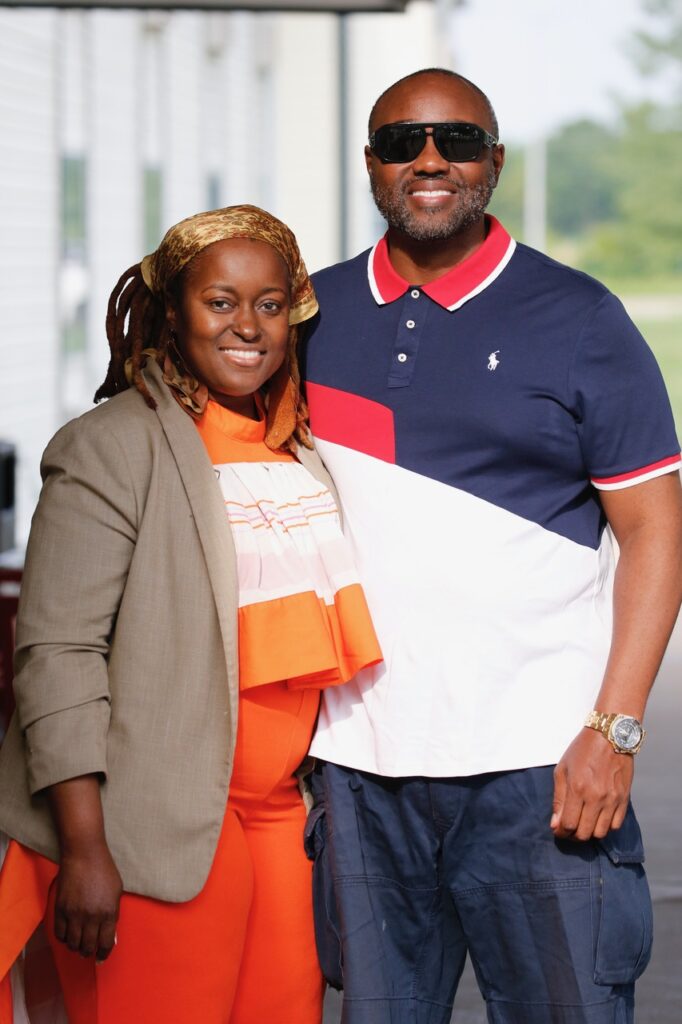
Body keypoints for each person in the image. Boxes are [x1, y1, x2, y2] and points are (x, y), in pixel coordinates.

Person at [301, 68, 682, 1023]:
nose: (430, 160)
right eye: (404, 142)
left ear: (495, 161)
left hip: (541, 768)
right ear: (372, 164)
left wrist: (615, 731)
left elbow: (655, 531)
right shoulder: (307, 318)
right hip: (360, 770)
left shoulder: (581, 318)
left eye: (458, 140)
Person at [0, 204, 382, 1024]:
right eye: (220, 302)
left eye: (269, 304)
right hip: (149, 822)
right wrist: (86, 847)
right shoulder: (112, 445)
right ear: (174, 312)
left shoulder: (298, 447)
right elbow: (56, 655)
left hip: (278, 817)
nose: (248, 326)